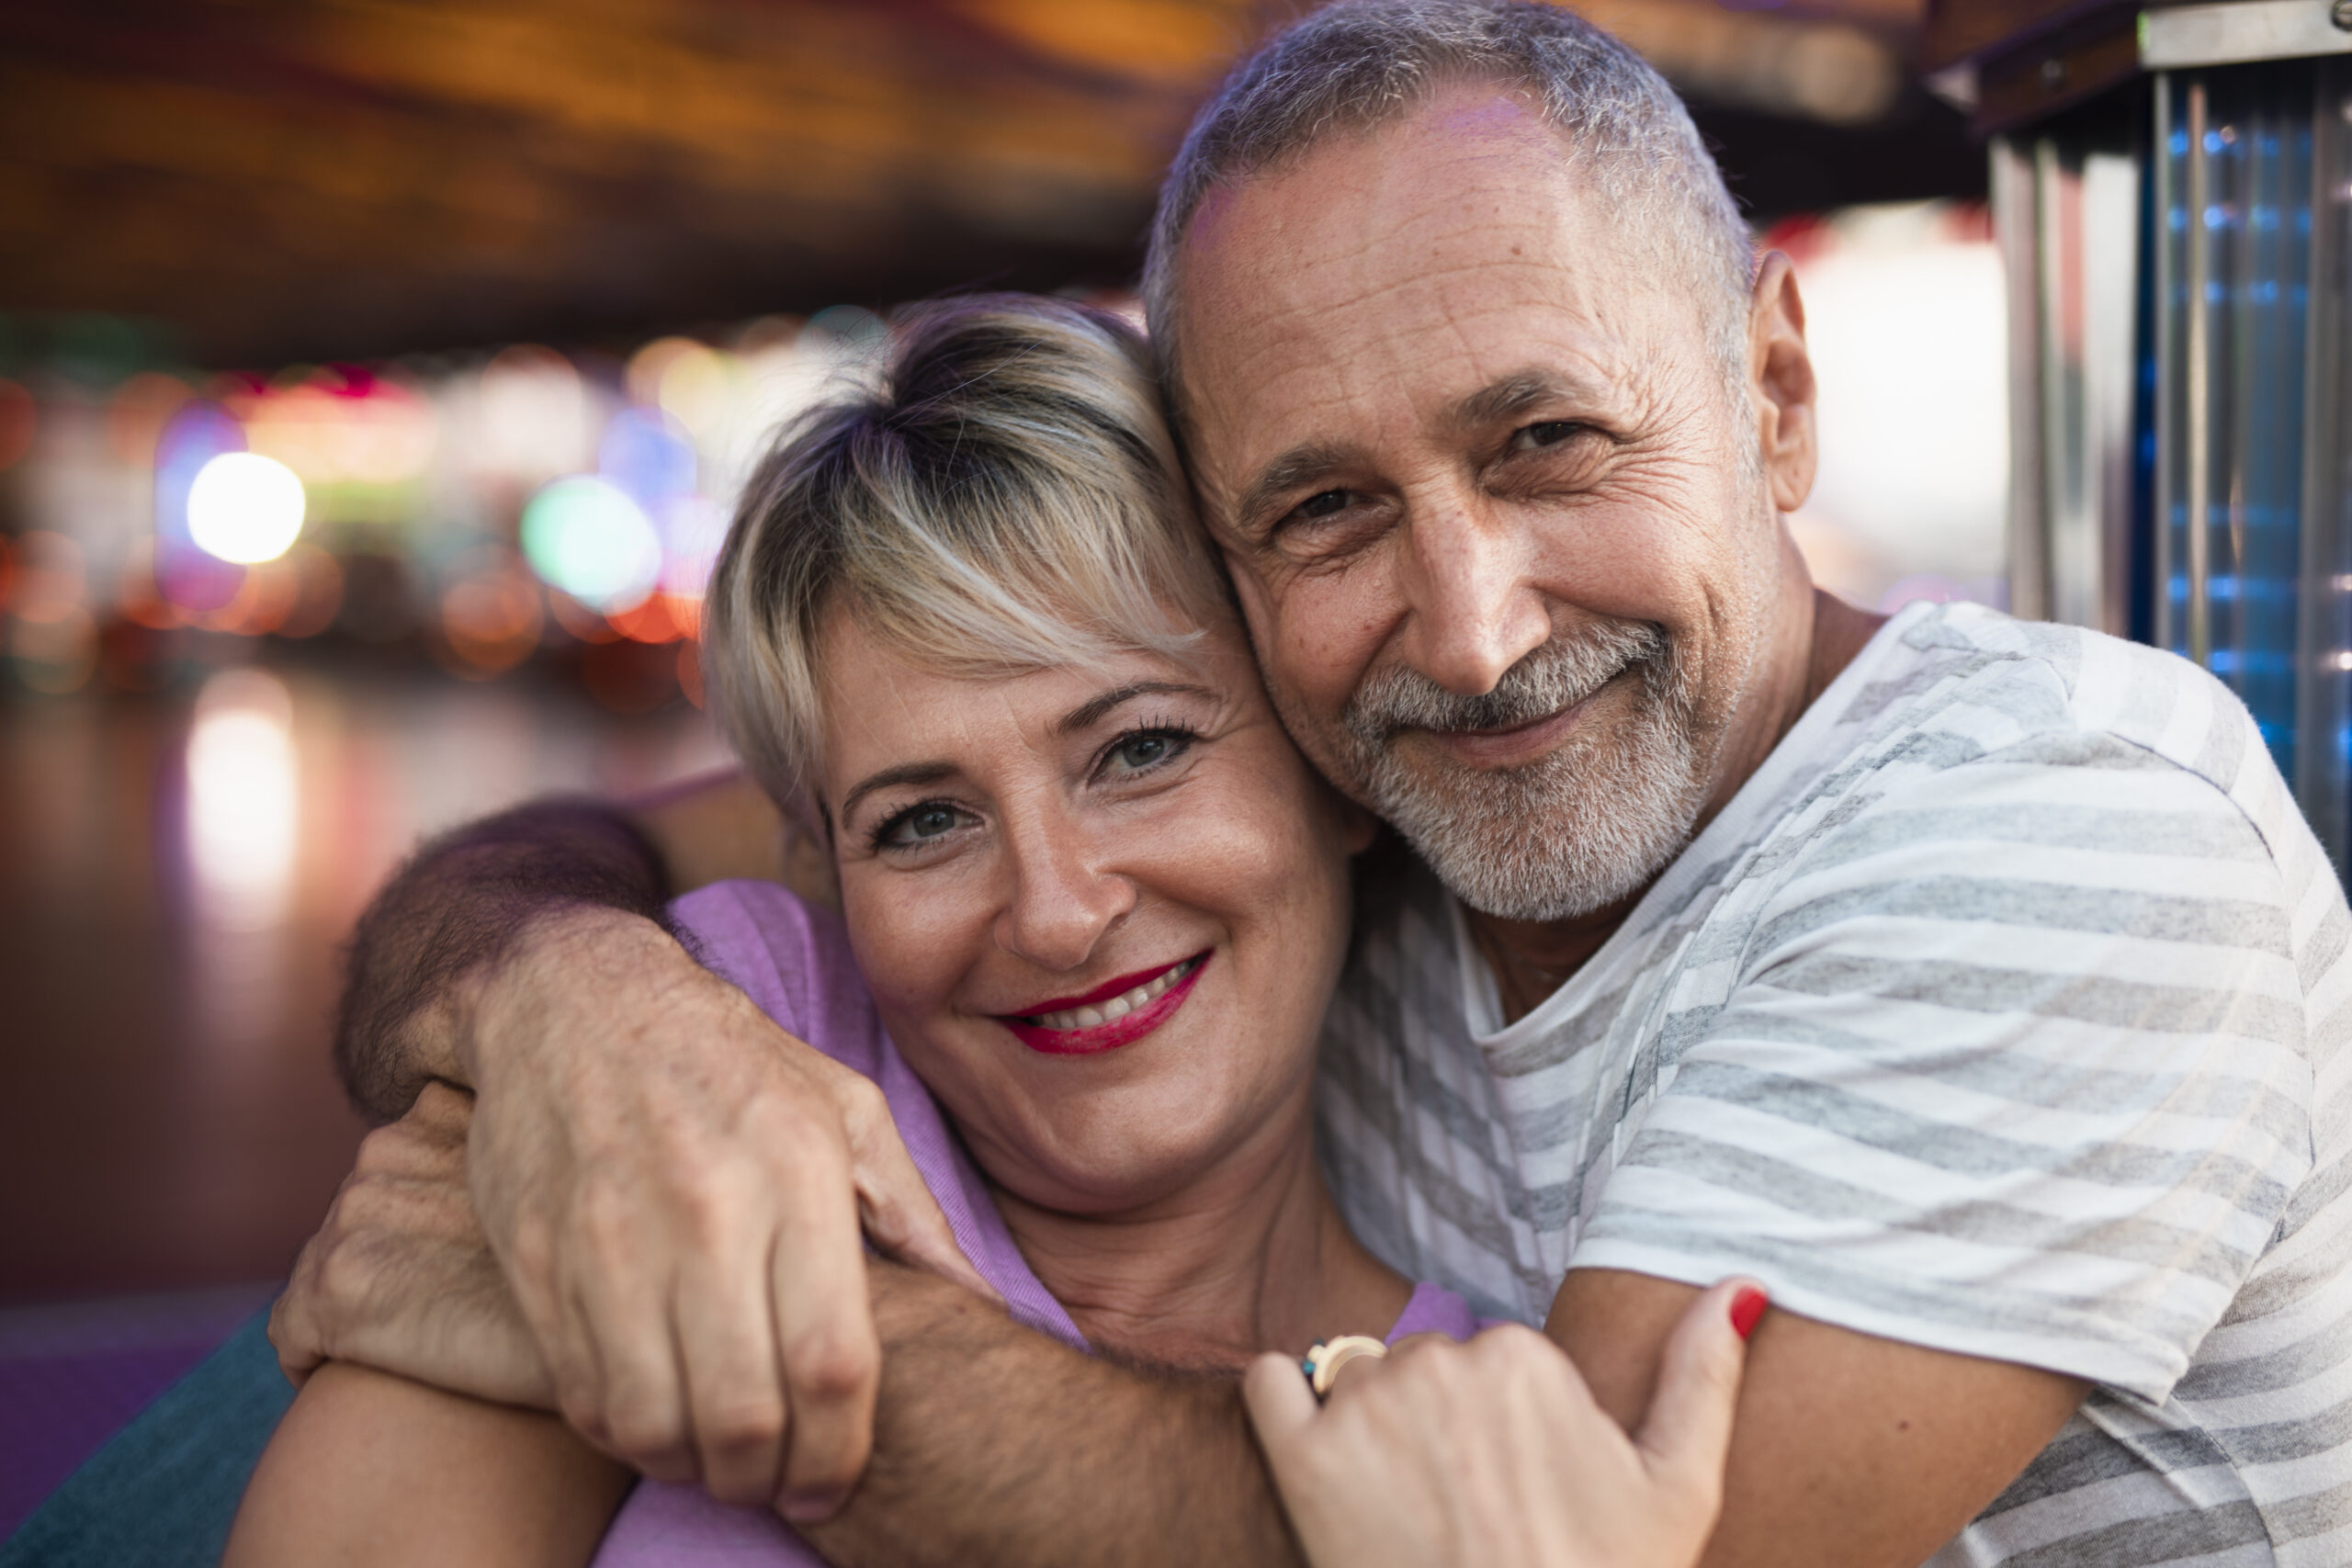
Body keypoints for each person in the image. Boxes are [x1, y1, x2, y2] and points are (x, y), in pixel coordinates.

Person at [276, 3, 2352, 1564]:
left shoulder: (2060, 827)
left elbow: (1562, 1544)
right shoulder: (1365, 790)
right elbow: (664, 838)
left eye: (1546, 440)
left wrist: (620, 1294)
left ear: (1773, 392)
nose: (1464, 624)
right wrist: (573, 1005)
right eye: (1328, 507)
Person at [227, 297, 1762, 1568]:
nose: (1055, 909)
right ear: (822, 864)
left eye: (1143, 749)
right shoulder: (713, 1041)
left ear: (1330, 769)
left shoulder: (1493, 1441)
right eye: (922, 820)